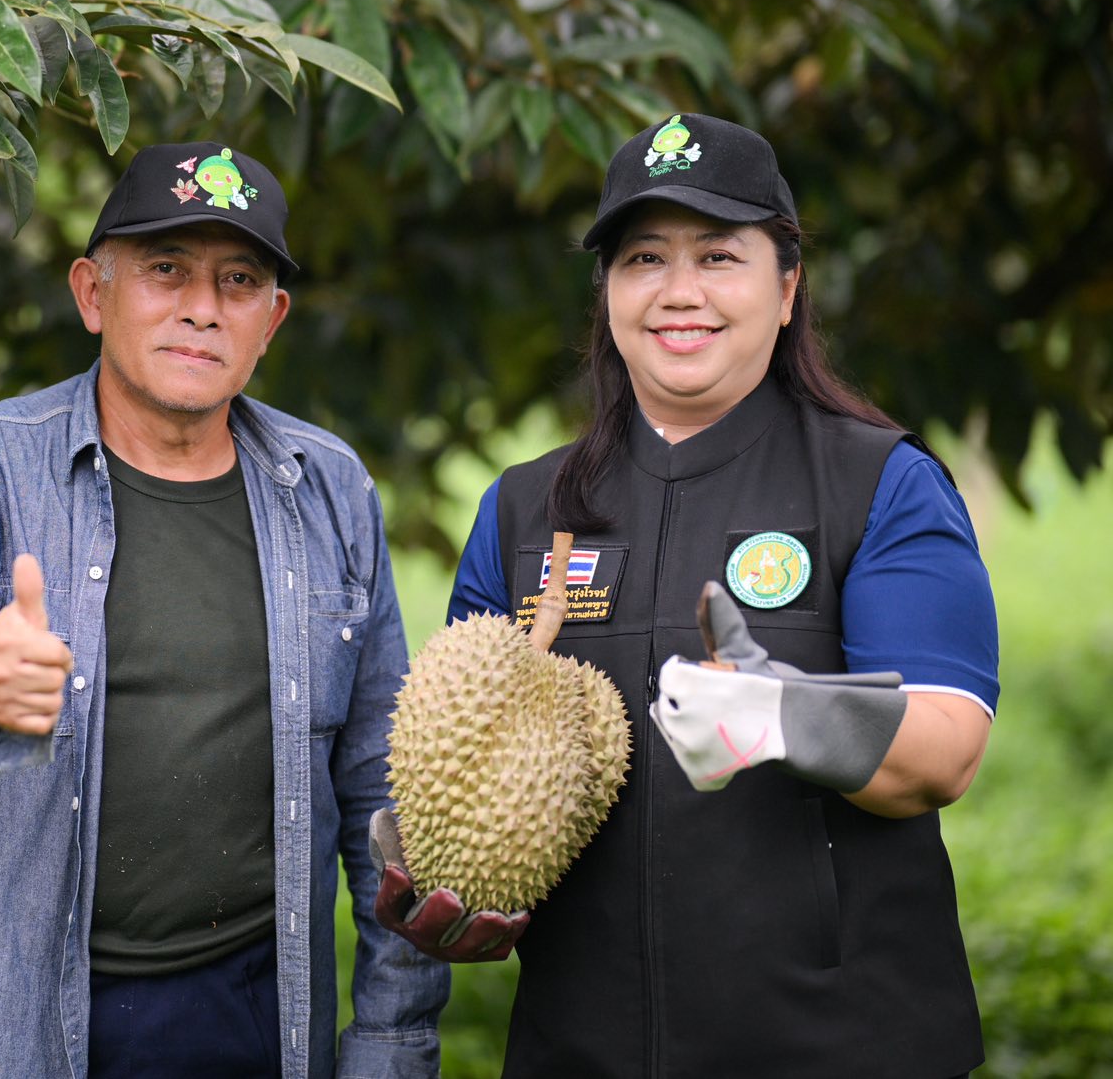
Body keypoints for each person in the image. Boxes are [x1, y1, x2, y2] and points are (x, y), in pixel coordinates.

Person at [378, 113, 997, 1076]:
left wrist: (783, 716)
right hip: (579, 1052)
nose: (678, 293)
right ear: (609, 294)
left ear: (786, 288)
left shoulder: (880, 483)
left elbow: (947, 748)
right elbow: (467, 771)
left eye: (719, 255)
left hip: (843, 1049)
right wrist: (437, 866)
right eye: (642, 259)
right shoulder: (524, 509)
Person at [0, 143, 444, 1079]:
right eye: (166, 270)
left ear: (271, 320)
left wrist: (392, 1040)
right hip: (26, 1019)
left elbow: (384, 786)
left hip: (257, 1008)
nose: (202, 307)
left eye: (238, 280)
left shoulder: (329, 487)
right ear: (93, 293)